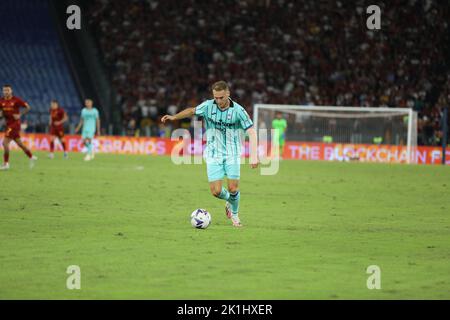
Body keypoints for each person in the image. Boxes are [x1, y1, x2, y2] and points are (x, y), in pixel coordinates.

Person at [162, 81, 259, 227]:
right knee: (216, 191)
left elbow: (251, 131)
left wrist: (253, 154)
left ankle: (235, 215)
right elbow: (192, 111)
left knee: (233, 188)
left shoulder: (239, 110)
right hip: (213, 153)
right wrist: (175, 117)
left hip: (232, 153)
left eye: (221, 97)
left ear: (228, 94)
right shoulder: (208, 106)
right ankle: (230, 201)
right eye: (216, 98)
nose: (218, 101)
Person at [0, 84, 37, 170]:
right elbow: (1, 111)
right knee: (20, 144)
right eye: (4, 90)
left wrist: (20, 114)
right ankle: (31, 157)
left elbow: (28, 107)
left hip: (15, 124)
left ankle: (6, 164)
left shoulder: (16, 100)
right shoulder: (1, 101)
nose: (6, 92)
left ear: (11, 91)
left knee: (5, 143)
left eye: (7, 90)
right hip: (8, 124)